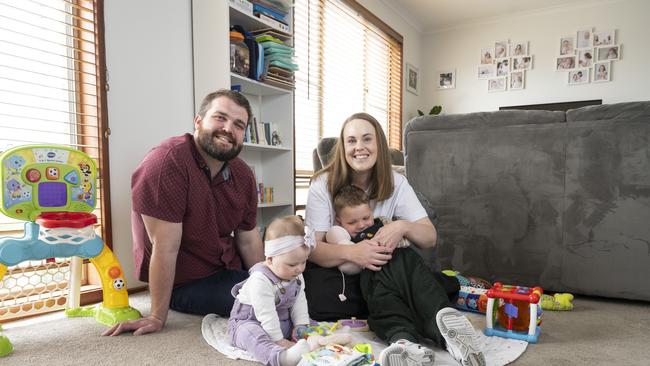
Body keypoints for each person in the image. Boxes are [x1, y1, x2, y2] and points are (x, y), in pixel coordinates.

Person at [303, 113, 485, 366]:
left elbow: (429, 237)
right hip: (342, 275)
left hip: (383, 270)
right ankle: (435, 318)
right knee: (414, 280)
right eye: (351, 140)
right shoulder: (323, 184)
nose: (359, 147)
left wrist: (401, 226)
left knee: (400, 260)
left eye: (367, 139)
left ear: (379, 143)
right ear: (342, 148)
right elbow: (311, 250)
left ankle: (413, 339)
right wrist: (353, 254)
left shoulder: (396, 182)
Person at [103, 90, 264, 337]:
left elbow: (248, 238)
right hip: (187, 281)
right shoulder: (166, 163)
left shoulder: (242, 174)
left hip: (227, 266)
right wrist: (157, 316)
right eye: (220, 118)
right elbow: (164, 247)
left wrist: (268, 279)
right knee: (263, 303)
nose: (228, 129)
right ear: (198, 121)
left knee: (291, 282)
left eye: (238, 125)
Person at [228, 216, 314, 366]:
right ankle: (281, 358)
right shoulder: (260, 279)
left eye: (304, 261)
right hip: (250, 321)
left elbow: (299, 301)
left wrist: (300, 325)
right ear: (270, 260)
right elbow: (266, 313)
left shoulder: (297, 275)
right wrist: (279, 341)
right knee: (253, 337)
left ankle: (321, 341)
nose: (300, 268)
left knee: (309, 326)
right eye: (292, 264)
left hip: (279, 319)